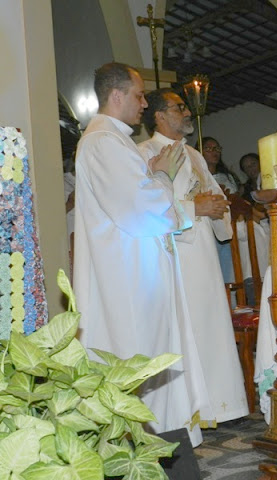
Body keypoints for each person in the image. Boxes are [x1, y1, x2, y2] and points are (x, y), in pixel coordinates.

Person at [73, 63, 212, 446]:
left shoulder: (112, 141)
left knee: (154, 360)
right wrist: (163, 176)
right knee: (142, 359)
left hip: (137, 274)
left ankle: (166, 446)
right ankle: (153, 448)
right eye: (138, 95)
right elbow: (143, 212)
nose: (144, 103)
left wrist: (151, 174)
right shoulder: (103, 142)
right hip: (128, 280)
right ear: (117, 95)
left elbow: (134, 197)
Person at [138, 88, 249, 424]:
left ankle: (223, 406)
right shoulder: (145, 153)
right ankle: (192, 410)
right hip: (175, 256)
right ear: (159, 115)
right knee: (188, 329)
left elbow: (214, 197)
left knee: (211, 324)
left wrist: (217, 207)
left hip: (204, 256)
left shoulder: (195, 154)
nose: (187, 113)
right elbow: (145, 208)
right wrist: (193, 209)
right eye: (179, 107)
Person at [202, 137, 270, 290]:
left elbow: (237, 202)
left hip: (233, 224)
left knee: (233, 268)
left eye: (217, 148)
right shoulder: (199, 176)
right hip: (212, 224)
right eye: (208, 148)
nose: (214, 152)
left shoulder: (228, 177)